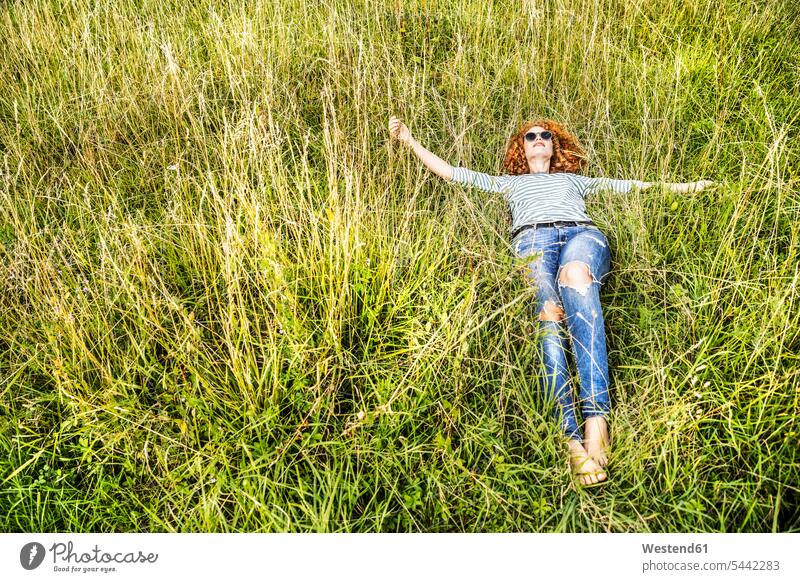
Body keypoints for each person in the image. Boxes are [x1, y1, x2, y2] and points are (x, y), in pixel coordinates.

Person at [388, 115, 715, 486]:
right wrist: (409, 140)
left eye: (546, 135)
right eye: (531, 136)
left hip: (582, 236)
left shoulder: (573, 180)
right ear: (521, 147)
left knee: (576, 277)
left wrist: (689, 187)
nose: (539, 139)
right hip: (531, 242)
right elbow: (452, 173)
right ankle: (569, 436)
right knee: (549, 314)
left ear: (554, 146)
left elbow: (633, 186)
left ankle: (596, 420)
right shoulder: (509, 185)